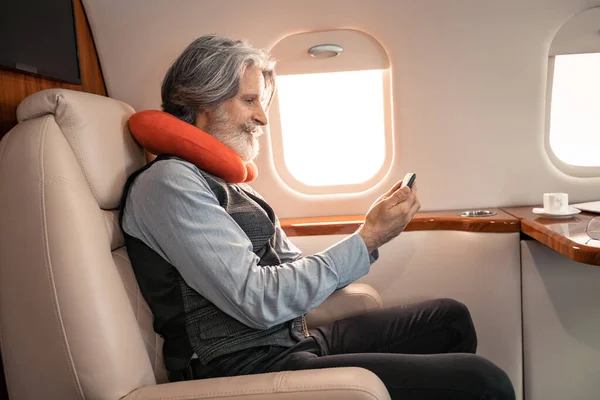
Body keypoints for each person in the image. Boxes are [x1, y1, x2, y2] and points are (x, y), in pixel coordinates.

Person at [120, 34, 515, 399]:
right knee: (483, 381)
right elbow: (258, 300)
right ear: (204, 100)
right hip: (240, 365)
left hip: (288, 340)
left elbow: (291, 269)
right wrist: (367, 239)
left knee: (449, 319)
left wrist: (369, 233)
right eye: (249, 100)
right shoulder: (171, 182)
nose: (263, 118)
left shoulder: (227, 181)